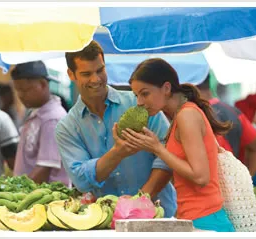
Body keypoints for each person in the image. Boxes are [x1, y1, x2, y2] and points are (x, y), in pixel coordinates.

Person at [55, 41, 177, 218]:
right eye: (86, 74)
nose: (96, 79)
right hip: (108, 224)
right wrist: (117, 153)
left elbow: (167, 156)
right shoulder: (66, 128)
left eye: (100, 70)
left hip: (160, 216)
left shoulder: (141, 103)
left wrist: (140, 201)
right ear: (71, 74)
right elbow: (81, 179)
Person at [122, 58, 235, 232]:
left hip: (206, 220)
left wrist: (157, 148)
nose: (139, 102)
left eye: (145, 94)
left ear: (166, 88)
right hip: (194, 218)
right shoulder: (179, 116)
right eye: (136, 95)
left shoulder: (187, 115)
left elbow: (200, 177)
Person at [11, 61, 71, 186]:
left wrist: (17, 191)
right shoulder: (36, 113)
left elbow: (44, 168)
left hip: (46, 200)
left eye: (25, 90)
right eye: (18, 90)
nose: (21, 95)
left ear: (43, 84)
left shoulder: (52, 119)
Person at [197, 75, 256, 176]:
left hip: (207, 185)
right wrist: (246, 180)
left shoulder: (191, 114)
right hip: (231, 182)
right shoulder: (233, 111)